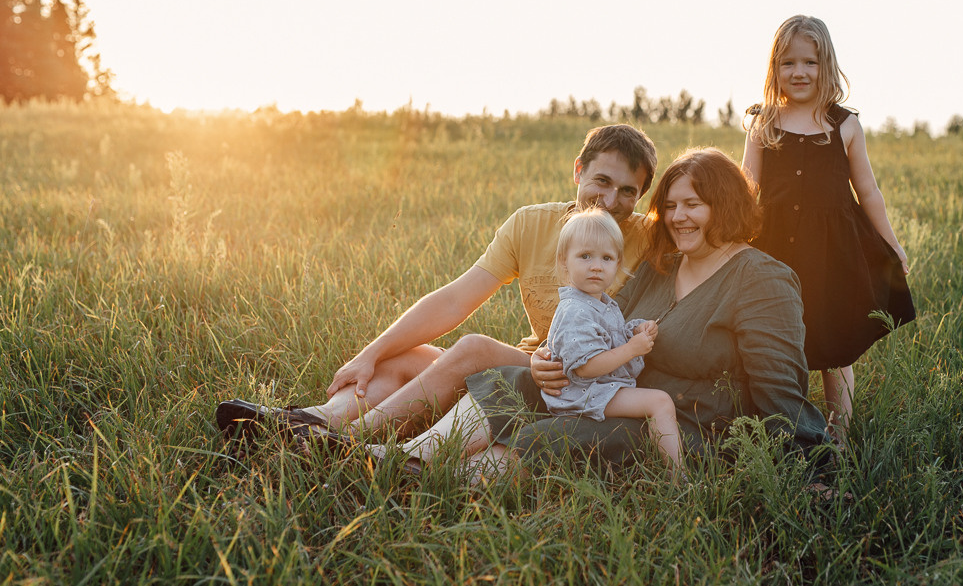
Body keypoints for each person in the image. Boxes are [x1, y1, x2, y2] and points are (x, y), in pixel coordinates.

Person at [374, 148, 831, 483]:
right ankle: (410, 459)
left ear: (726, 205)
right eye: (670, 206)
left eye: (693, 204)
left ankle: (437, 485)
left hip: (688, 428)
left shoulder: (761, 279)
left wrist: (810, 470)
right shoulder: (661, 265)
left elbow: (781, 389)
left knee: (551, 435)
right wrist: (546, 361)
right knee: (512, 381)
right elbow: (600, 325)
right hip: (615, 392)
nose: (678, 217)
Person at [216, 124, 657, 444]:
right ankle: (307, 419)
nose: (611, 200)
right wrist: (369, 355)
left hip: (578, 385)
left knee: (475, 349)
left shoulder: (648, 237)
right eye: (602, 181)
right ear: (578, 170)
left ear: (640, 197)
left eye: (628, 191)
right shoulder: (530, 223)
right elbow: (455, 300)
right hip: (535, 363)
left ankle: (341, 442)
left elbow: (708, 228)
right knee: (405, 356)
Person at [741, 14, 916, 445]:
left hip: (833, 251)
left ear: (827, 66)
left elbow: (868, 191)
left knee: (833, 345)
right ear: (774, 69)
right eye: (788, 63)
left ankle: (838, 439)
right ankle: (784, 431)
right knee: (778, 342)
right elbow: (747, 186)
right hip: (775, 248)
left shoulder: (844, 125)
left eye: (810, 62)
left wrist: (891, 243)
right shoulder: (762, 124)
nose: (799, 72)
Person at [542, 207, 681, 472]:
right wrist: (631, 350)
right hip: (582, 392)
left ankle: (661, 463)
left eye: (606, 258)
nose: (596, 266)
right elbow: (587, 366)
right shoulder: (575, 310)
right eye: (585, 256)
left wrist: (635, 331)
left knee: (655, 402)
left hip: (600, 387)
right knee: (659, 402)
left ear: (617, 264)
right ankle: (679, 479)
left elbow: (608, 337)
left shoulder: (601, 303)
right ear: (564, 260)